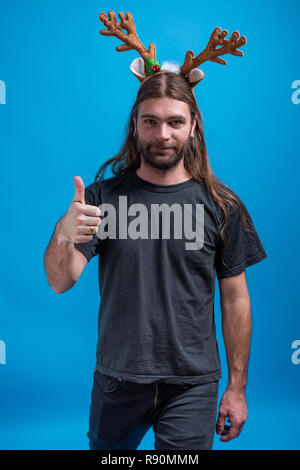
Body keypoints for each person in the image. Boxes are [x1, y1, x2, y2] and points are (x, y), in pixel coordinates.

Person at [43, 70, 267, 450]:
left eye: (175, 122)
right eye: (151, 122)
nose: (163, 134)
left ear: (193, 126)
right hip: (117, 380)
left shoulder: (223, 206)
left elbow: (236, 300)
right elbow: (60, 281)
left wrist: (237, 388)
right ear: (135, 126)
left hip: (192, 385)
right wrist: (65, 230)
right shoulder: (101, 200)